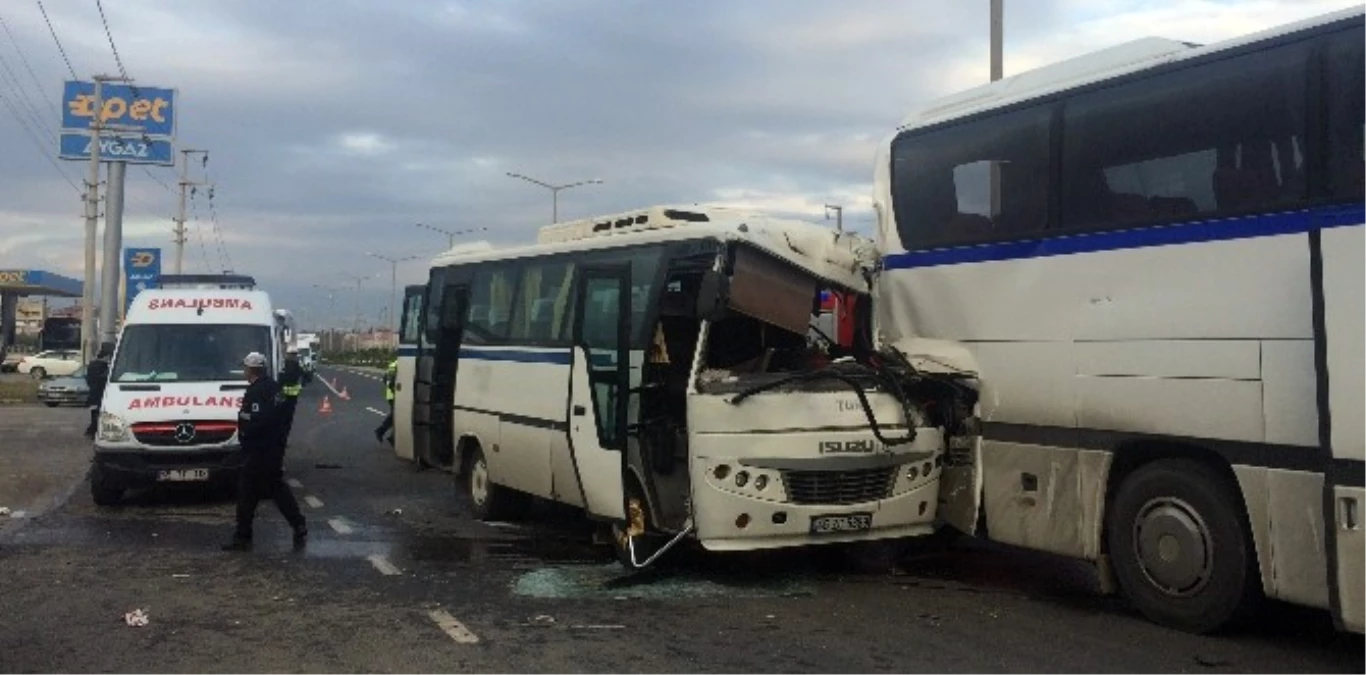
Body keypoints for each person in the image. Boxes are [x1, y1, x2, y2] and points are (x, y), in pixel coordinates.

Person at [223, 351, 307, 551]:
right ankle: (298, 524)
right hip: (273, 448)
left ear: (251, 369)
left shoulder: (256, 391)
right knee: (275, 488)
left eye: (245, 367)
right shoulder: (273, 387)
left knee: (247, 492)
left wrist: (246, 436)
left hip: (259, 450)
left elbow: (259, 420)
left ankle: (243, 537)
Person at [84, 343, 113, 438]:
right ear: (107, 355)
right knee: (98, 414)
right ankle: (93, 431)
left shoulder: (92, 365)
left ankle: (91, 431)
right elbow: (104, 380)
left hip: (93, 394)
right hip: (100, 394)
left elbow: (88, 379)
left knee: (94, 413)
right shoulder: (105, 367)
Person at [278, 347, 304, 446]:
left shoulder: (294, 365)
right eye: (292, 354)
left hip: (291, 396)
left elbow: (304, 376)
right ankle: (282, 439)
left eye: (294, 354)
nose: (293, 356)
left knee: (286, 420)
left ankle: (283, 439)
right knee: (284, 419)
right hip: (284, 396)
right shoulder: (283, 365)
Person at [374, 358, 397, 445]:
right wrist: (396, 391)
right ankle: (381, 431)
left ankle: (393, 437)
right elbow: (390, 382)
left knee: (397, 415)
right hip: (394, 395)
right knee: (395, 415)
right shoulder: (398, 365)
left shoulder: (394, 364)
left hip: (390, 394)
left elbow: (385, 378)